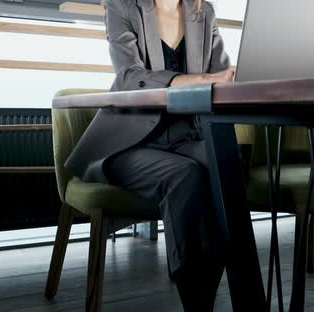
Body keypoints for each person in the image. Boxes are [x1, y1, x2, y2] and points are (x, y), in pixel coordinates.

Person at [65, 0, 235, 309]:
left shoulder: (204, 12)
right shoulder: (122, 7)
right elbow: (130, 76)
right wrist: (198, 80)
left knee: (225, 166)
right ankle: (197, 303)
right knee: (185, 176)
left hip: (188, 136)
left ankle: (217, 293)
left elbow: (224, 76)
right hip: (130, 143)